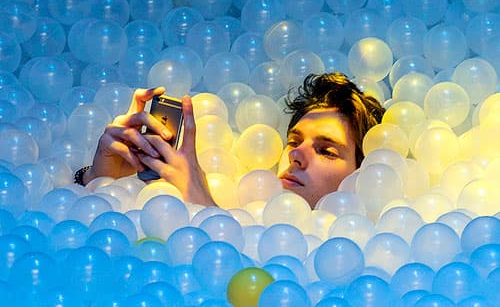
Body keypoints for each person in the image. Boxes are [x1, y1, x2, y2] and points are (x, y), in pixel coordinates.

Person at [76, 72, 385, 208]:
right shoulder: (241, 206)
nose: (297, 155)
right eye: (294, 141)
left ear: (363, 177)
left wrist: (201, 205)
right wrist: (101, 180)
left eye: (326, 150)